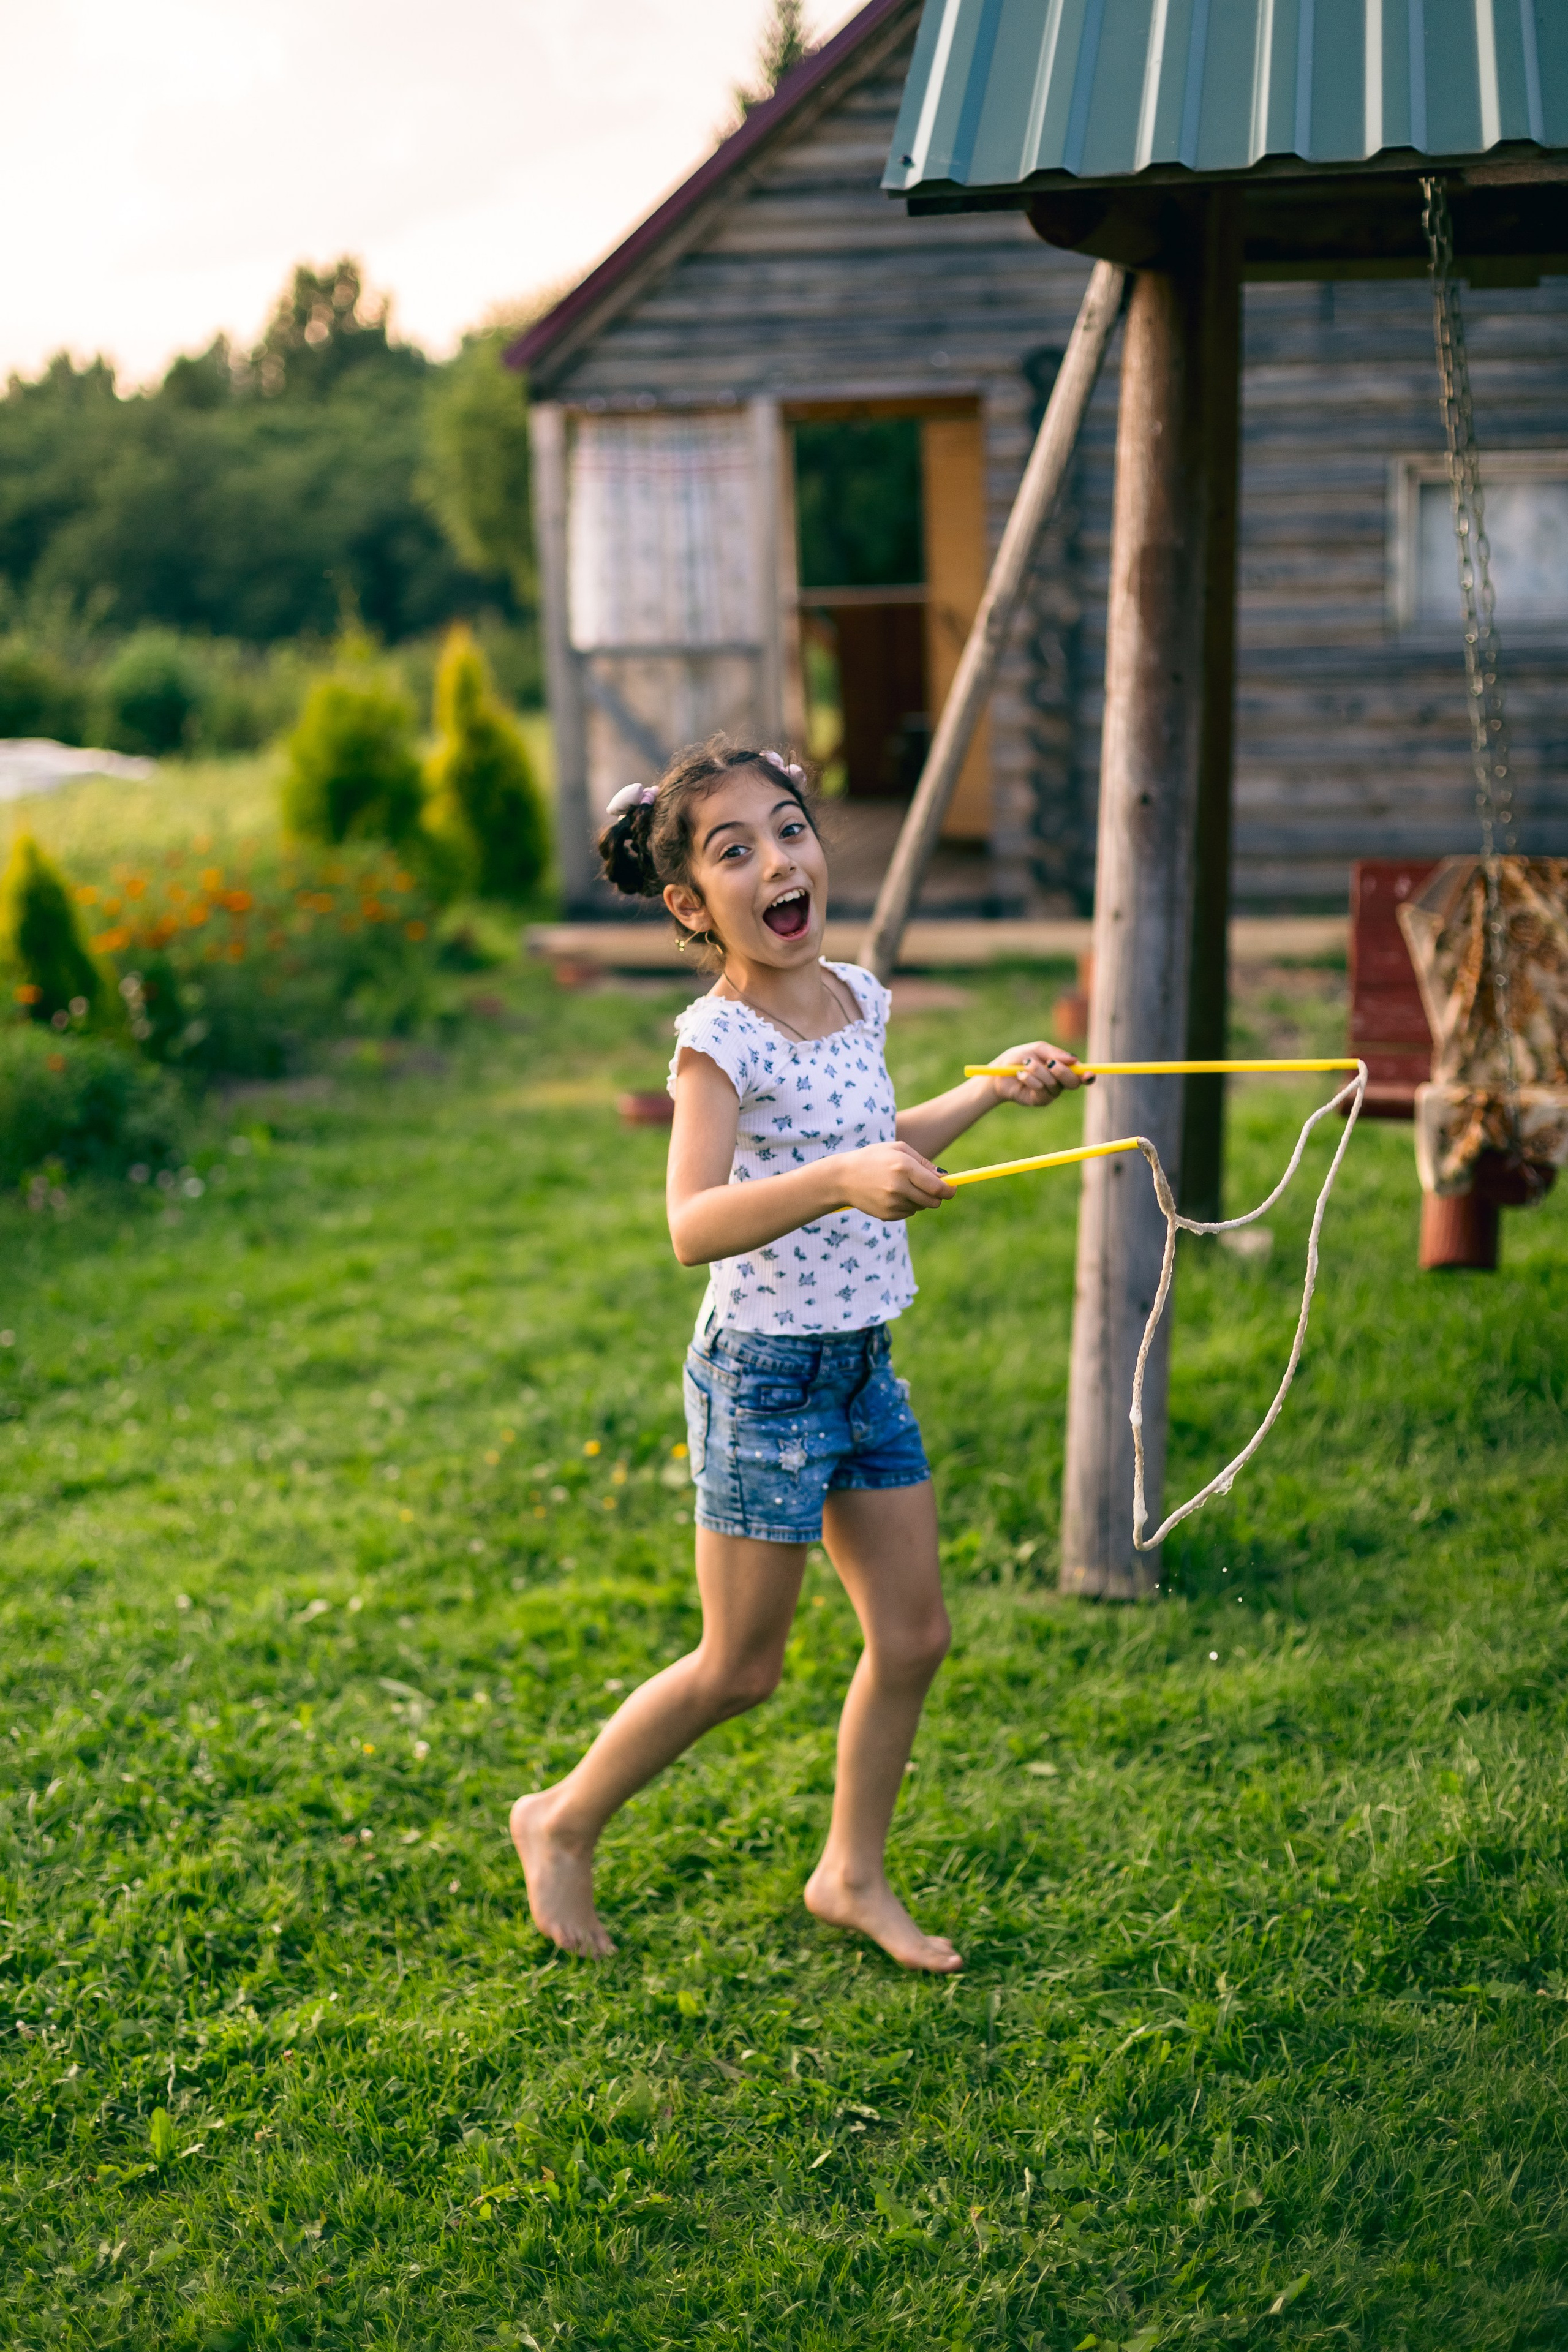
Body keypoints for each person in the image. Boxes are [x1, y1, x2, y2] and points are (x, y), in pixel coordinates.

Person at [510, 739, 1088, 1971]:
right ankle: (558, 1819)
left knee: (914, 1635)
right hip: (762, 1378)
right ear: (689, 905)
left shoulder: (853, 997)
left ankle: (848, 1873)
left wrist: (987, 1089)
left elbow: (882, 1135)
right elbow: (690, 1222)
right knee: (738, 1668)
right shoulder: (718, 1041)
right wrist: (837, 1183)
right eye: (734, 851)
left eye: (789, 830)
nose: (777, 860)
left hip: (859, 1367)